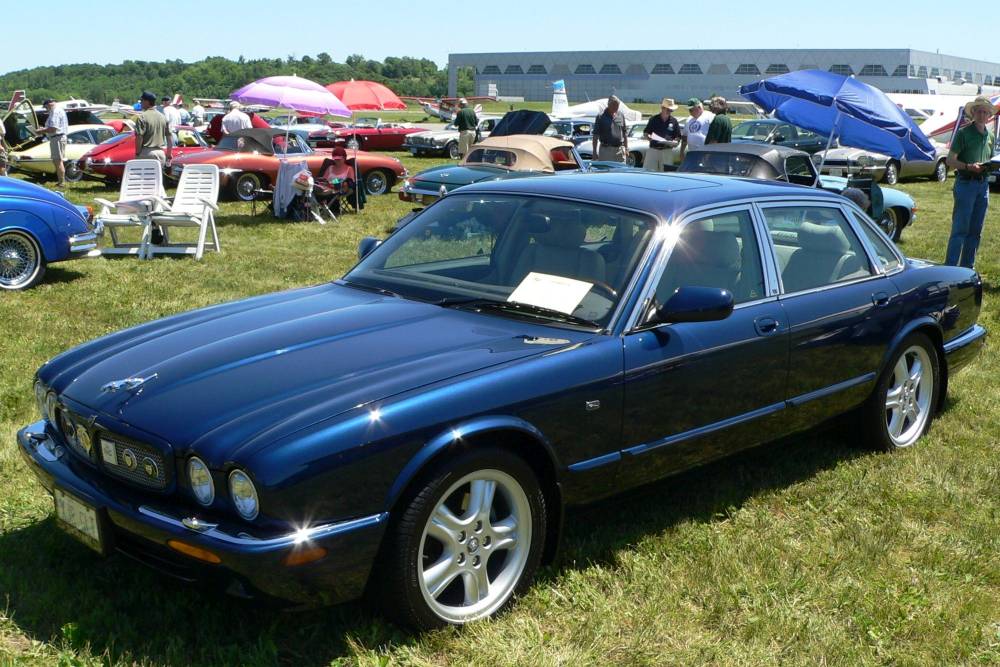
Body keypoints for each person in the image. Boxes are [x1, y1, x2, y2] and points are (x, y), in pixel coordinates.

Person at [944, 96, 996, 268]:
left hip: (983, 185)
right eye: (979, 111)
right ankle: (951, 268)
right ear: (973, 113)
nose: (982, 115)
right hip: (966, 183)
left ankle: (967, 268)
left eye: (985, 112)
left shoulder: (990, 136)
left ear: (989, 116)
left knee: (976, 230)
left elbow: (990, 159)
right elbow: (950, 160)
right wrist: (968, 166)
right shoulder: (963, 133)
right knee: (960, 229)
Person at [642, 98, 682, 172]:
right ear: (662, 108)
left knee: (666, 173)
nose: (670, 111)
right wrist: (650, 138)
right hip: (653, 150)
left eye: (671, 110)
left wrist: (675, 142)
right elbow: (646, 133)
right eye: (668, 109)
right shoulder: (653, 119)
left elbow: (678, 136)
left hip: (667, 151)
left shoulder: (674, 121)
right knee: (649, 172)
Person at [36, 99, 69, 187]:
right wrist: (44, 129)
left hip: (57, 137)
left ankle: (62, 182)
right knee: (56, 160)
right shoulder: (56, 111)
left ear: (49, 104)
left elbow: (53, 128)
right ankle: (60, 181)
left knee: (58, 160)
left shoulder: (55, 112)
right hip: (56, 138)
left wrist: (41, 131)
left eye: (45, 107)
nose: (46, 109)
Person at [133, 91, 172, 164]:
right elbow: (169, 138)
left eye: (142, 100)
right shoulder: (163, 117)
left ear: (147, 101)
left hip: (147, 153)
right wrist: (169, 154)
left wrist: (137, 153)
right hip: (161, 153)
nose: (140, 103)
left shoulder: (142, 117)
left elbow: (139, 137)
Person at [592, 95, 628, 163]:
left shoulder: (621, 115)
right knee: (606, 169)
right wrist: (594, 152)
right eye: (614, 105)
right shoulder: (600, 116)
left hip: (620, 150)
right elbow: (595, 136)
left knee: (621, 169)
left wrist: (626, 148)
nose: (616, 107)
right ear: (608, 104)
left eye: (617, 105)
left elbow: (625, 133)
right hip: (606, 150)